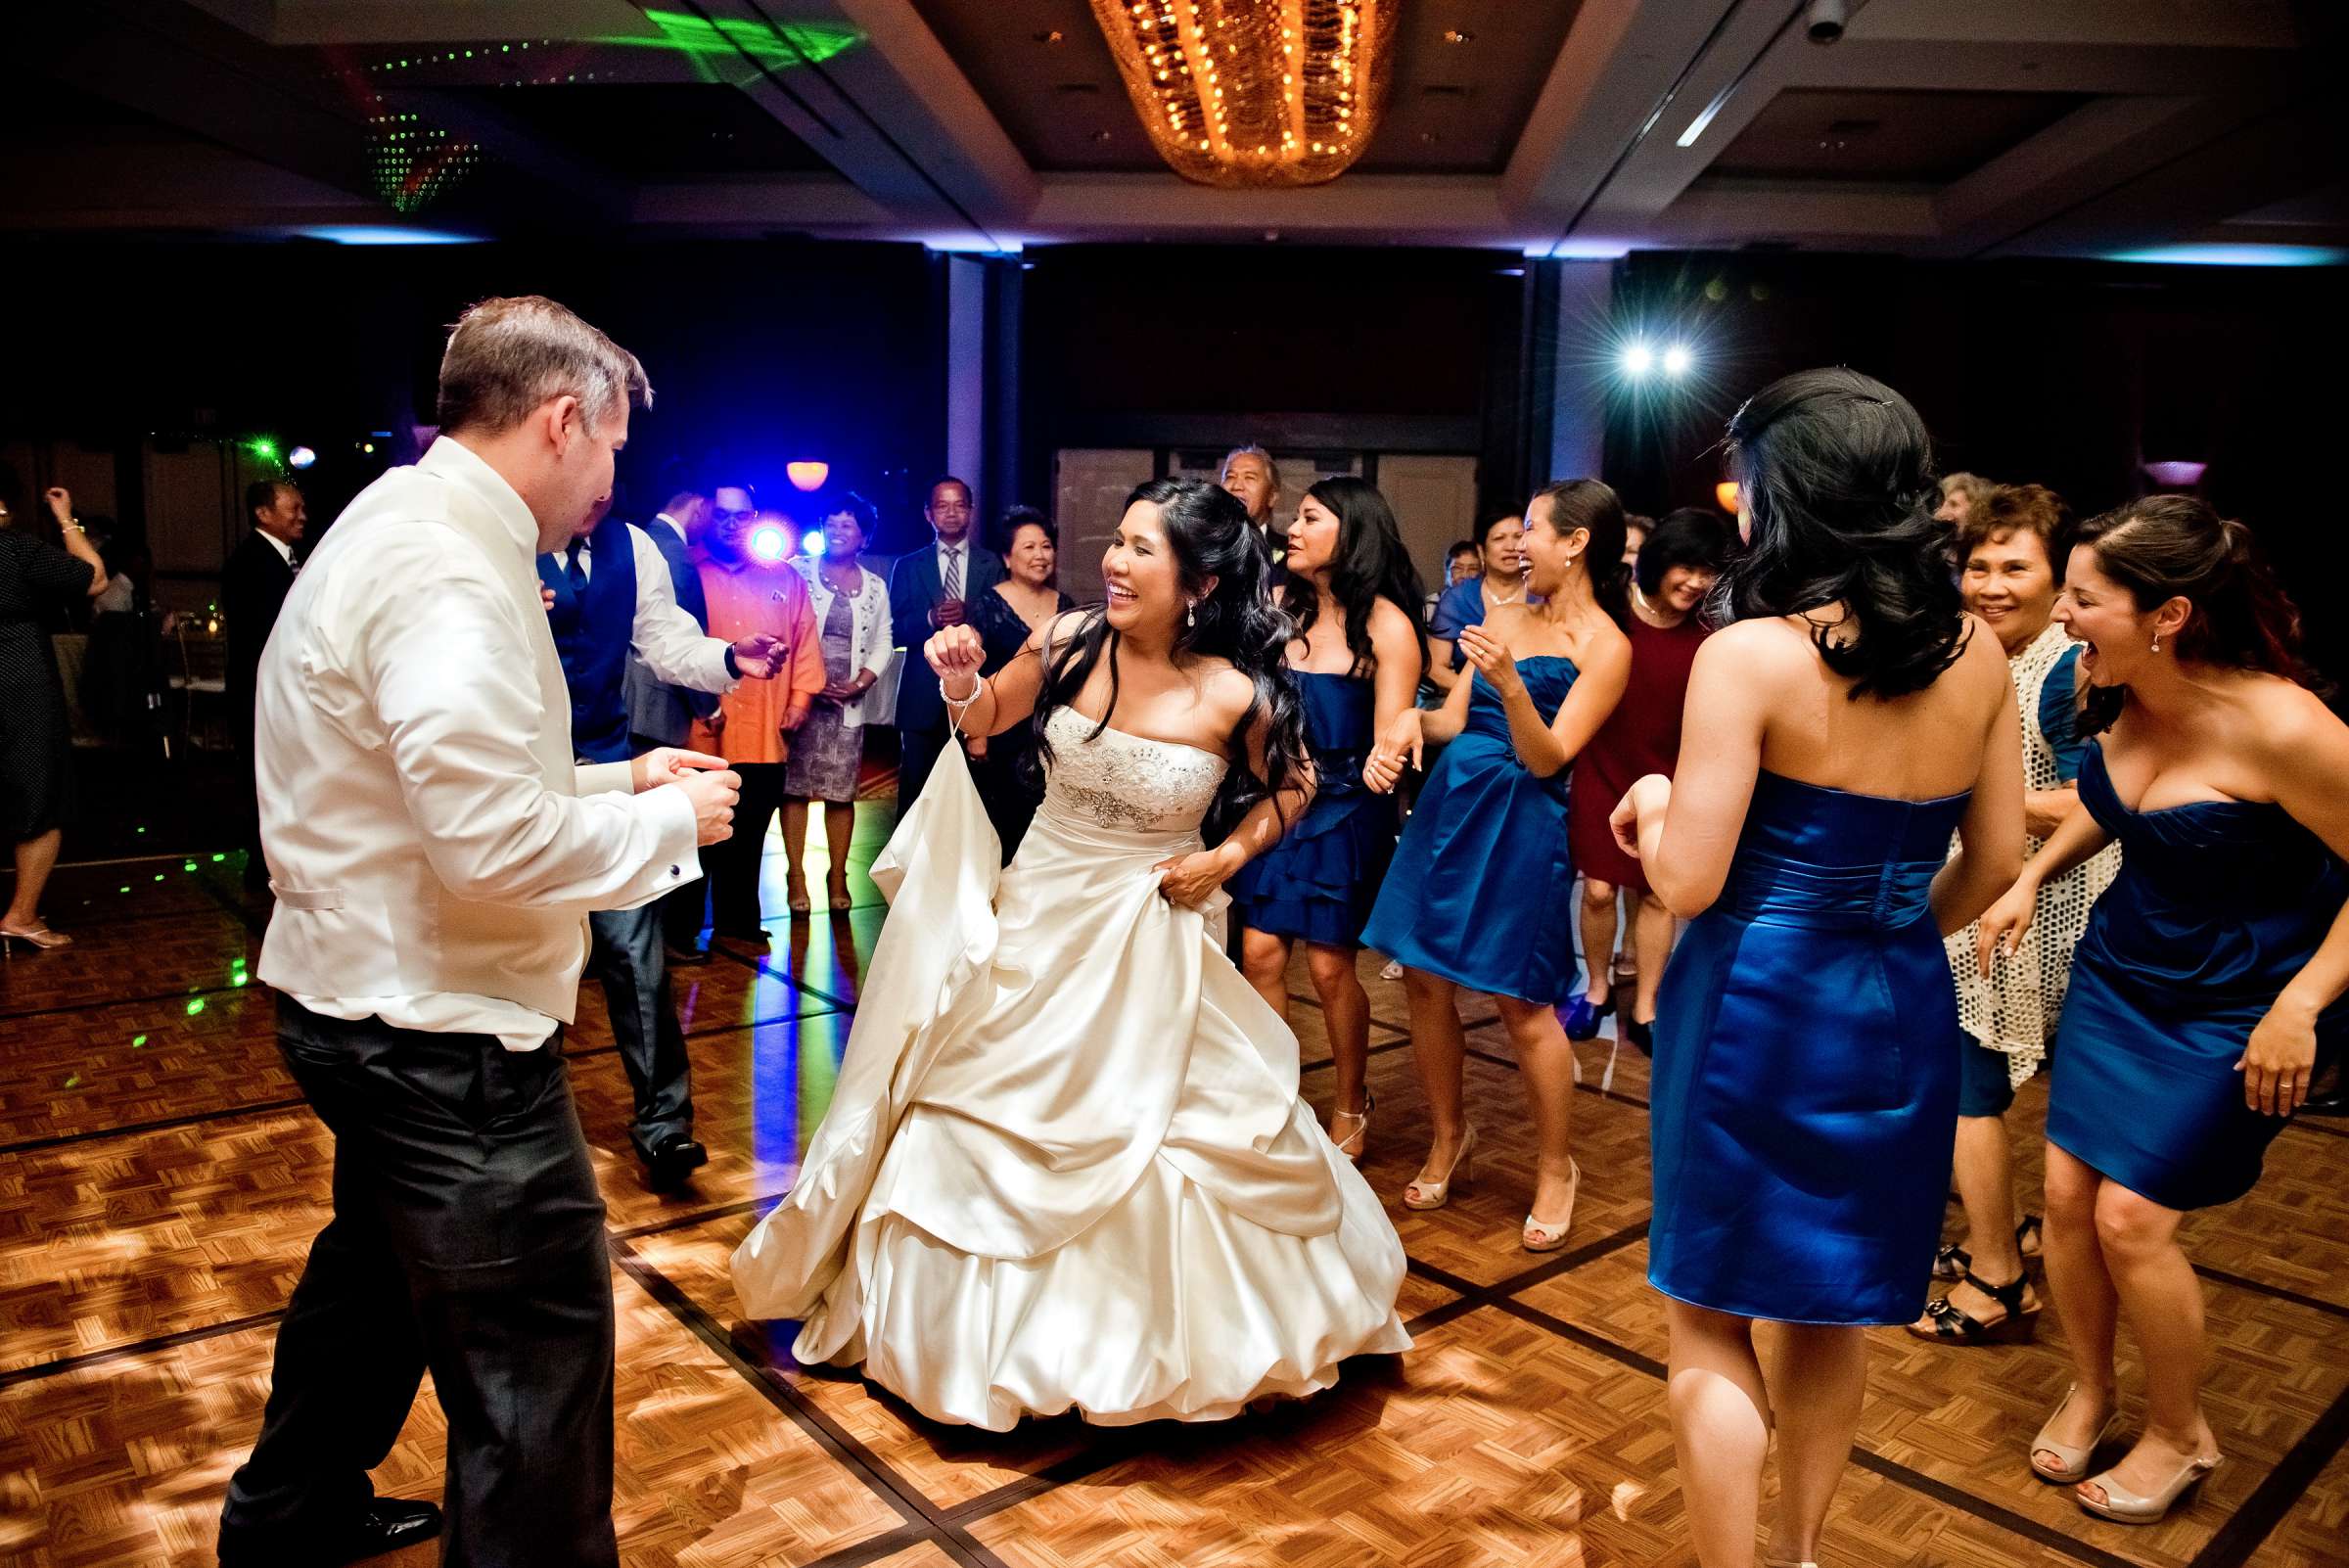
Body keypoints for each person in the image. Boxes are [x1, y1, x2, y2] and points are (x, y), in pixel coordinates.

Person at [218, 295, 744, 1568]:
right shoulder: (449, 566)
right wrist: (671, 829)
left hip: (361, 1000)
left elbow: (452, 783)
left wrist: (624, 782)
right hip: (439, 1031)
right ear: (563, 421)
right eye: (612, 445)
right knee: (533, 1361)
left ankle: (289, 1519)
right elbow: (492, 844)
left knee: (376, 1287)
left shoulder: (413, 524)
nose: (613, 479)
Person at [732, 477, 1409, 1429]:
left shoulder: (1232, 691)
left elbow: (1295, 784)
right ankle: (962, 1345)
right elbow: (980, 722)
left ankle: (1148, 1347)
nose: (1115, 563)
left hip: (1145, 938)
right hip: (1034, 920)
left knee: (1174, 1133)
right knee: (967, 1107)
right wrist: (962, 678)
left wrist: (1223, 854)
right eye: (1118, 542)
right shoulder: (1067, 639)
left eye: (1143, 550)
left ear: (1201, 584)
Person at [1611, 368, 2023, 1568]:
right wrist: (1888, 928)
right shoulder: (1980, 655)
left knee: (1710, 1316)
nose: (1735, 498)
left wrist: (1651, 795)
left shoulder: (1751, 656)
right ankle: (1797, 1554)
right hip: (1896, 999)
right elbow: (1996, 858)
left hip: (1752, 1002)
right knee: (1831, 1310)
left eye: (1751, 478)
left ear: (1798, 497)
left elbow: (1686, 881)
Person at [1978, 496, 2347, 1525]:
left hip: (2236, 1006)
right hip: (2123, 978)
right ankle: (2092, 1386)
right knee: (2063, 1200)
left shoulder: (2287, 728)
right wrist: (2030, 879)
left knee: (2131, 1220)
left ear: (2168, 614)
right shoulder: (2131, 693)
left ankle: (2182, 1431)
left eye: (2084, 600)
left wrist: (2303, 1004)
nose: (2061, 619)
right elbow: (2111, 799)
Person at [1360, 479, 1633, 1252]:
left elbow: (1550, 756)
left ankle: (1557, 1167)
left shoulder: (1606, 647)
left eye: (1534, 528)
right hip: (1452, 804)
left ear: (1575, 542)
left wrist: (1513, 681)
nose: (1518, 543)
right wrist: (1408, 720)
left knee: (1521, 1001)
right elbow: (1451, 718)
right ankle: (1450, 1136)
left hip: (1523, 818)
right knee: (1420, 976)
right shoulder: (1502, 612)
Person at [1909, 483, 2118, 1346]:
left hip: (2047, 907)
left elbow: (2098, 797)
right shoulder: (1982, 657)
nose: (1992, 584)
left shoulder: (2066, 665)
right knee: (1967, 1084)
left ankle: (1997, 1275)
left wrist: (1980, 803)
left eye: (2015, 568)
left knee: (1969, 1092)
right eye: (1979, 565)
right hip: (1992, 889)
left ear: (2056, 582)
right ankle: (2004, 1236)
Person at [539, 489, 781, 1190]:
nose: (599, 490)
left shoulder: (633, 548)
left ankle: (664, 1126)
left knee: (636, 954)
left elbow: (667, 642)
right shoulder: (505, 543)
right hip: (526, 778)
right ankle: (535, 1124)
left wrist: (732, 657)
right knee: (534, 957)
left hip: (615, 773)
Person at [1234, 478, 1425, 1161]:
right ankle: (1275, 1095)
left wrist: (1389, 758)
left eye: (1310, 518)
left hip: (1345, 808)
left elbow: (1392, 735)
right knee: (1257, 952)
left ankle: (1351, 1098)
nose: (1292, 526)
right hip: (1278, 798)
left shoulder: (1388, 627)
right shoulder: (1277, 607)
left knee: (1328, 967)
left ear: (1351, 534)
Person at [1563, 507, 1728, 1054]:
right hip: (1603, 767)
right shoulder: (1614, 615)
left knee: (1657, 895)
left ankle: (1647, 1006)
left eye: (1708, 571)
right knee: (1599, 890)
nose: (1696, 582)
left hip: (1672, 775)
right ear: (1660, 560)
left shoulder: (1712, 632)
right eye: (1687, 567)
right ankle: (1597, 989)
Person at [691, 484, 827, 937]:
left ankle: (739, 922)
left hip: (765, 728)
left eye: (743, 516)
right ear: (707, 515)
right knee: (694, 834)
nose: (733, 525)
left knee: (749, 831)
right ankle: (685, 928)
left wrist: (800, 700)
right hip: (698, 731)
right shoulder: (687, 570)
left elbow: (805, 639)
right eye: (723, 515)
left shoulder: (784, 576)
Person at [0, 479, 110, 953]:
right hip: (17, 671)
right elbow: (95, 577)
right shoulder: (14, 548)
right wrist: (66, 518)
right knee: (39, 788)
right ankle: (21, 915)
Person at [784, 493, 894, 910]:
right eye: (831, 523)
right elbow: (785, 627)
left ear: (863, 536)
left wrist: (861, 682)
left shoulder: (875, 587)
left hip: (847, 703)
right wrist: (808, 684)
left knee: (841, 793)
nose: (837, 530)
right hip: (801, 699)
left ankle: (837, 876)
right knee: (794, 791)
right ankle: (796, 877)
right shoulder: (797, 571)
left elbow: (883, 640)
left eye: (847, 525)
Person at [626, 488, 721, 957]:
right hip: (655, 709)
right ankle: (660, 943)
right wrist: (709, 705)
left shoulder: (645, 538)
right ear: (698, 506)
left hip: (631, 707)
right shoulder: (671, 553)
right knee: (662, 827)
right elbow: (680, 636)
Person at [888, 476, 1003, 818]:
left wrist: (972, 616)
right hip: (921, 694)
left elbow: (1001, 628)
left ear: (971, 511)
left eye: (959, 505)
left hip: (976, 693)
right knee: (916, 791)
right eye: (942, 505)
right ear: (928, 514)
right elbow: (893, 631)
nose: (951, 513)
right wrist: (930, 617)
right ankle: (909, 870)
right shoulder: (908, 565)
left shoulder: (992, 564)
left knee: (974, 794)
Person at [964, 505, 1075, 860]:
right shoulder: (987, 604)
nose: (1041, 555)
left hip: (1053, 731)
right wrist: (977, 731)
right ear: (1007, 558)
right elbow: (973, 670)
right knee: (1007, 822)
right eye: (1029, 547)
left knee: (1050, 826)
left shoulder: (1066, 605)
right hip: (1003, 730)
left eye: (1046, 546)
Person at [225, 478, 307, 889]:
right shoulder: (249, 561)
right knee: (263, 776)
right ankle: (263, 864)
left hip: (281, 689)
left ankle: (281, 859)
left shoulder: (292, 557)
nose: (302, 516)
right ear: (263, 513)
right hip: (259, 689)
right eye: (293, 508)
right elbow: (264, 632)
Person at [1425, 510, 1537, 690]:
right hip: (1472, 706)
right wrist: (1488, 697)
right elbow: (1435, 669)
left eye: (1518, 536)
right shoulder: (1458, 598)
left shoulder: (1541, 594)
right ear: (1481, 550)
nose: (1510, 546)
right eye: (1499, 538)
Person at [1219, 443, 1285, 576]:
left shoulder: (1290, 554)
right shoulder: (1199, 547)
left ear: (1271, 497)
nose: (1237, 486)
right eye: (1230, 477)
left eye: (1249, 477)